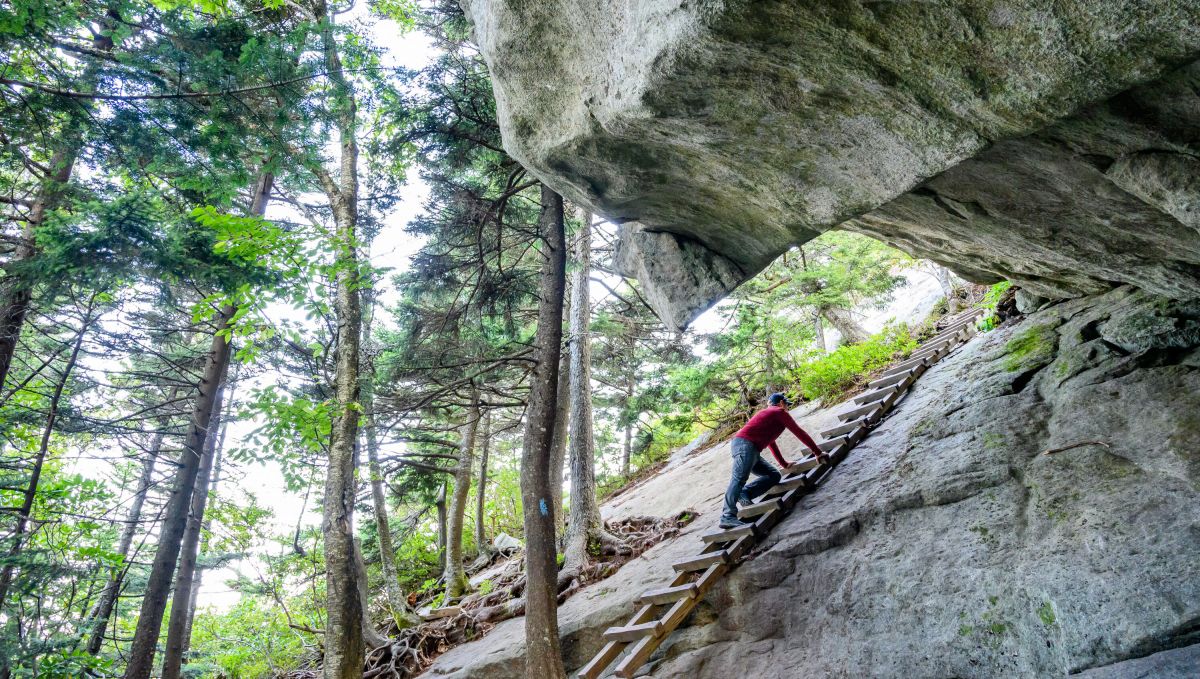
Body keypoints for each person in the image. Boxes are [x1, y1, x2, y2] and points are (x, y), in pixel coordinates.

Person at [719, 392, 825, 529]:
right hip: (745, 446)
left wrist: (784, 464)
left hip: (751, 449)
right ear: (781, 403)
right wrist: (818, 452)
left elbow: (771, 442)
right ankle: (727, 516)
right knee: (738, 478)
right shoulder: (779, 412)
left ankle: (745, 493)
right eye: (787, 405)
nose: (788, 409)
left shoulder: (770, 415)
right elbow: (799, 432)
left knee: (773, 475)